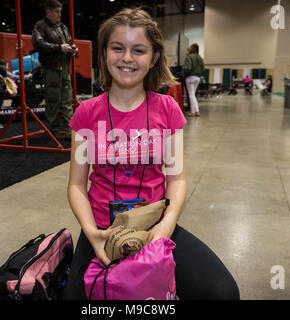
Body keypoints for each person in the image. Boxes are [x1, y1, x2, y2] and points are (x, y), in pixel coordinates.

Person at [64, 8, 239, 300]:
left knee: (222, 292)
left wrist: (165, 228)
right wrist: (92, 233)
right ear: (105, 53)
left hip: (156, 223)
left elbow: (177, 180)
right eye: (117, 48)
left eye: (139, 50)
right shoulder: (86, 113)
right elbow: (76, 185)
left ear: (154, 57)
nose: (127, 58)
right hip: (101, 228)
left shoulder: (168, 109)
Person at [32, 0, 78, 140]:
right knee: (53, 100)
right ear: (48, 11)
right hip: (51, 69)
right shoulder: (40, 26)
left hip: (64, 68)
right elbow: (38, 44)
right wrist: (59, 48)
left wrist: (72, 50)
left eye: (60, 11)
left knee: (67, 100)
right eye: (57, 12)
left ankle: (69, 128)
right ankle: (54, 130)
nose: (59, 15)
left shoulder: (63, 27)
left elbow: (68, 43)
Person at [184, 43, 204, 117]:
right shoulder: (200, 58)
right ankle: (197, 111)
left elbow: (187, 68)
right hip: (197, 78)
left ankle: (192, 112)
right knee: (193, 95)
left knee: (191, 95)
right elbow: (203, 69)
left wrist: (184, 73)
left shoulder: (189, 57)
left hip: (190, 78)